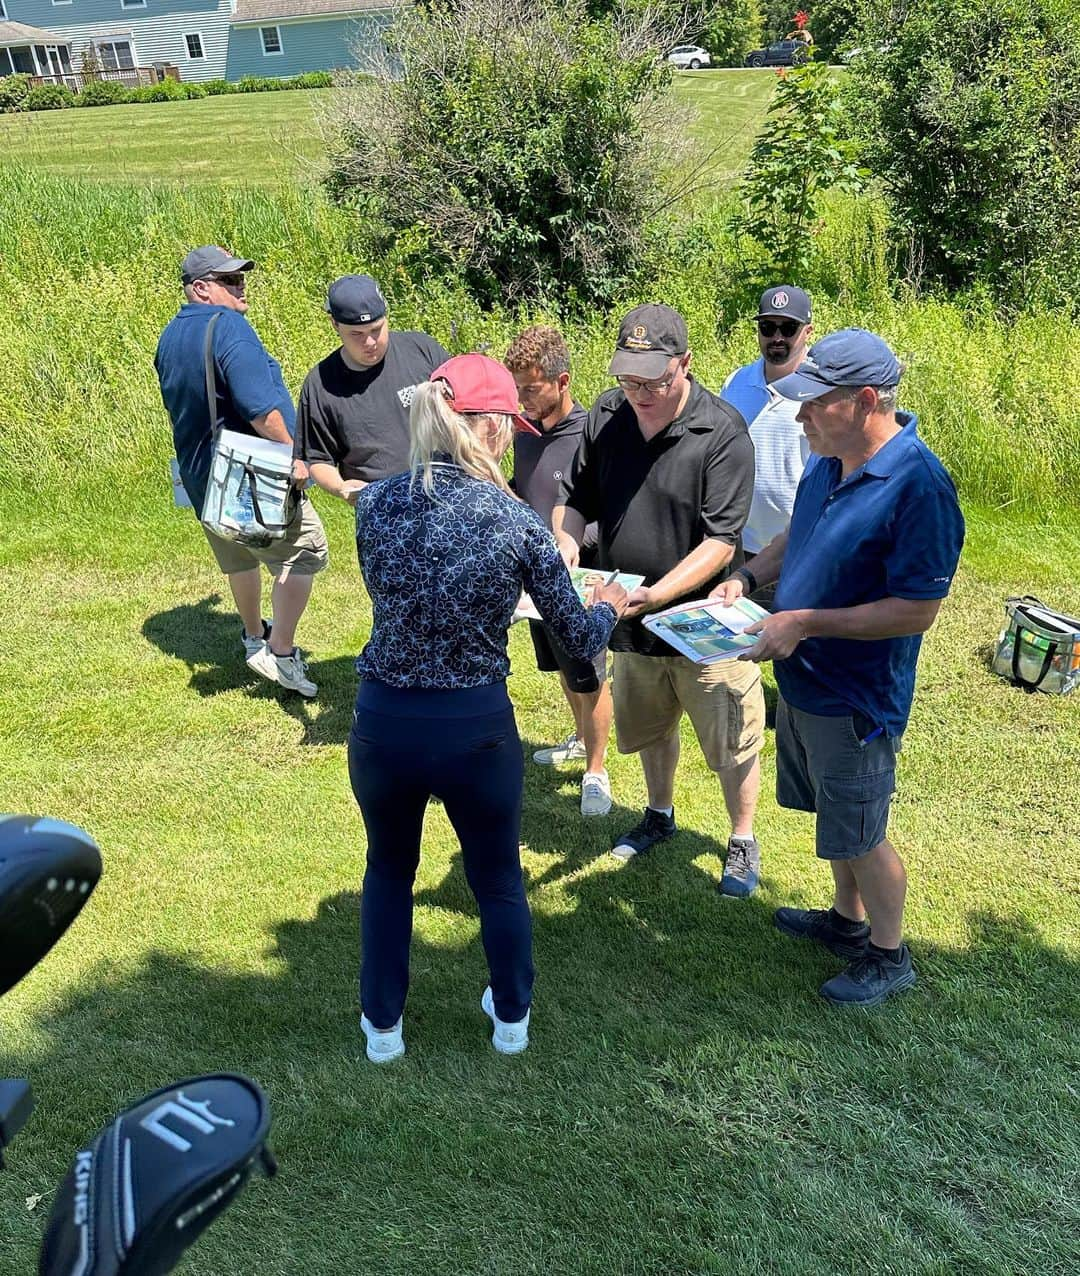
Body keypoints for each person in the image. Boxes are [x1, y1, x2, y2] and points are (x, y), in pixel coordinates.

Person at [348, 354, 627, 1063]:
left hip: (385, 719)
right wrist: (609, 606)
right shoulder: (517, 521)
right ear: (497, 430)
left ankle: (383, 1028)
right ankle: (511, 1020)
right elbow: (575, 637)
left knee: (387, 871)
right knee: (499, 878)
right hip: (474, 724)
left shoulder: (375, 504)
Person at [712, 329, 965, 1005]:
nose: (799, 418)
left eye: (814, 404)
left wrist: (805, 623)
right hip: (805, 680)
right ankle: (848, 924)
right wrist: (748, 575)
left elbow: (917, 610)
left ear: (865, 401)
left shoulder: (919, 486)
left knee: (863, 830)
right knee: (836, 817)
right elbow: (799, 534)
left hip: (856, 694)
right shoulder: (829, 458)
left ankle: (889, 955)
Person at [551, 303, 767, 897]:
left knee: (731, 734)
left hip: (701, 619)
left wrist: (656, 594)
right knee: (649, 725)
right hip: (629, 614)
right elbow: (575, 496)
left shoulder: (722, 432)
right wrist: (565, 541)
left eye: (654, 380)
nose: (639, 392)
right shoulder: (606, 415)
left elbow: (721, 542)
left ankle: (742, 838)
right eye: (629, 378)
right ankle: (659, 813)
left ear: (686, 364)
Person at [155, 245, 328, 698]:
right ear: (201, 288)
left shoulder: (170, 335)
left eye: (240, 277)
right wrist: (297, 454)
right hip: (249, 478)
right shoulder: (229, 325)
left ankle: (254, 635)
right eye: (229, 280)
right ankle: (281, 652)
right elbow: (260, 409)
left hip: (201, 478)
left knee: (238, 558)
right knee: (304, 552)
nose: (240, 285)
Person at [504, 325, 615, 817]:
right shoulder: (524, 433)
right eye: (517, 388)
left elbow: (609, 512)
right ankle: (578, 738)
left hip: (580, 577)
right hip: (536, 580)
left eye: (531, 388)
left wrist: (571, 544)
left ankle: (596, 770)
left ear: (563, 380)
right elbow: (526, 489)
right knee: (564, 672)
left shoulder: (592, 434)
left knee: (591, 674)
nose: (522, 399)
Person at [295, 274, 449, 504]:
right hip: (382, 508)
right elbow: (318, 459)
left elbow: (467, 409)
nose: (369, 342)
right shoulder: (321, 384)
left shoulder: (421, 349)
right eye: (356, 334)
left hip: (445, 490)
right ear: (335, 324)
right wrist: (341, 487)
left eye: (376, 329)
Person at [720, 285, 814, 605]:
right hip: (738, 548)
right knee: (738, 648)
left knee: (794, 649)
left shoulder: (820, 391)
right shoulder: (736, 382)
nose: (777, 336)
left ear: (808, 331)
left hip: (797, 549)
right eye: (767, 327)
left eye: (788, 328)